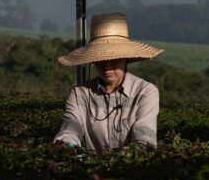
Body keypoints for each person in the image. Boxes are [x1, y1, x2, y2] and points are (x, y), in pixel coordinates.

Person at [53, 13, 162, 152]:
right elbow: (70, 129)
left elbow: (145, 137)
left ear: (126, 58)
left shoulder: (145, 92)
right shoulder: (80, 93)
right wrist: (68, 147)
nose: (107, 67)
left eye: (114, 59)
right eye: (101, 60)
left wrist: (127, 156)